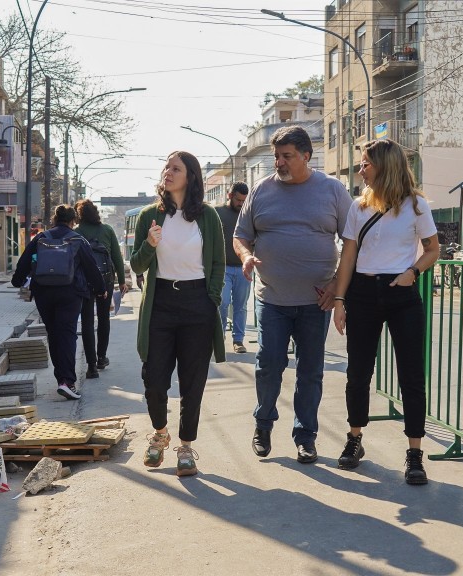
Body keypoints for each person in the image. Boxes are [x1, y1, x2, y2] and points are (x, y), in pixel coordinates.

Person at [234, 125, 353, 464]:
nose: (279, 162)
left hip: (316, 301)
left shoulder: (332, 190)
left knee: (310, 371)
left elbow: (352, 241)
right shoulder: (261, 190)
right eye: (277, 156)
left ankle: (305, 437)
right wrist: (245, 256)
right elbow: (240, 235)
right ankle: (263, 423)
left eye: (286, 156)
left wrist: (337, 286)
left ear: (306, 156)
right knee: (268, 365)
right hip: (271, 298)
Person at [331, 138, 440, 484]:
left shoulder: (416, 206)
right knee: (358, 372)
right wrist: (339, 300)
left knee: (411, 375)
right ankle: (354, 439)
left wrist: (413, 272)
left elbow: (433, 249)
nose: (361, 169)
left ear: (385, 166)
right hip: (362, 293)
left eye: (366, 163)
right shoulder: (359, 207)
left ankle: (414, 453)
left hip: (401, 292)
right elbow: (348, 256)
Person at [130, 151, 225, 477]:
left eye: (176, 168)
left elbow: (217, 262)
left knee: (192, 381)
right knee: (154, 378)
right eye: (166, 167)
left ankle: (185, 447)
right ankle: (160, 434)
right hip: (160, 304)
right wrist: (149, 244)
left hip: (197, 303)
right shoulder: (150, 215)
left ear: (190, 177)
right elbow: (137, 265)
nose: (167, 172)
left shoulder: (208, 216)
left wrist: (211, 299)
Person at [12, 204, 106, 400]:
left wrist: (17, 281)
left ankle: (61, 379)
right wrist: (101, 289)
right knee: (67, 334)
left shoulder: (41, 238)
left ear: (54, 219)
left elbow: (24, 263)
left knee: (54, 334)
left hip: (43, 293)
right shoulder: (78, 240)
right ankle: (67, 381)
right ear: (73, 221)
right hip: (70, 294)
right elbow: (91, 267)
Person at [74, 198, 126, 378]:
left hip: (84, 282)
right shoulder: (107, 230)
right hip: (105, 280)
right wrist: (121, 280)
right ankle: (102, 357)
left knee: (87, 321)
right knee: (104, 318)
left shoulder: (76, 232)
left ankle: (91, 366)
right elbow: (117, 258)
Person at [215, 182, 251, 354]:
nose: (241, 204)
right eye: (238, 200)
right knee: (222, 303)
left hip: (244, 268)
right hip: (223, 268)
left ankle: (238, 340)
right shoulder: (217, 213)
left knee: (240, 306)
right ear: (230, 196)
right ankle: (219, 336)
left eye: (244, 201)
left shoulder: (248, 214)